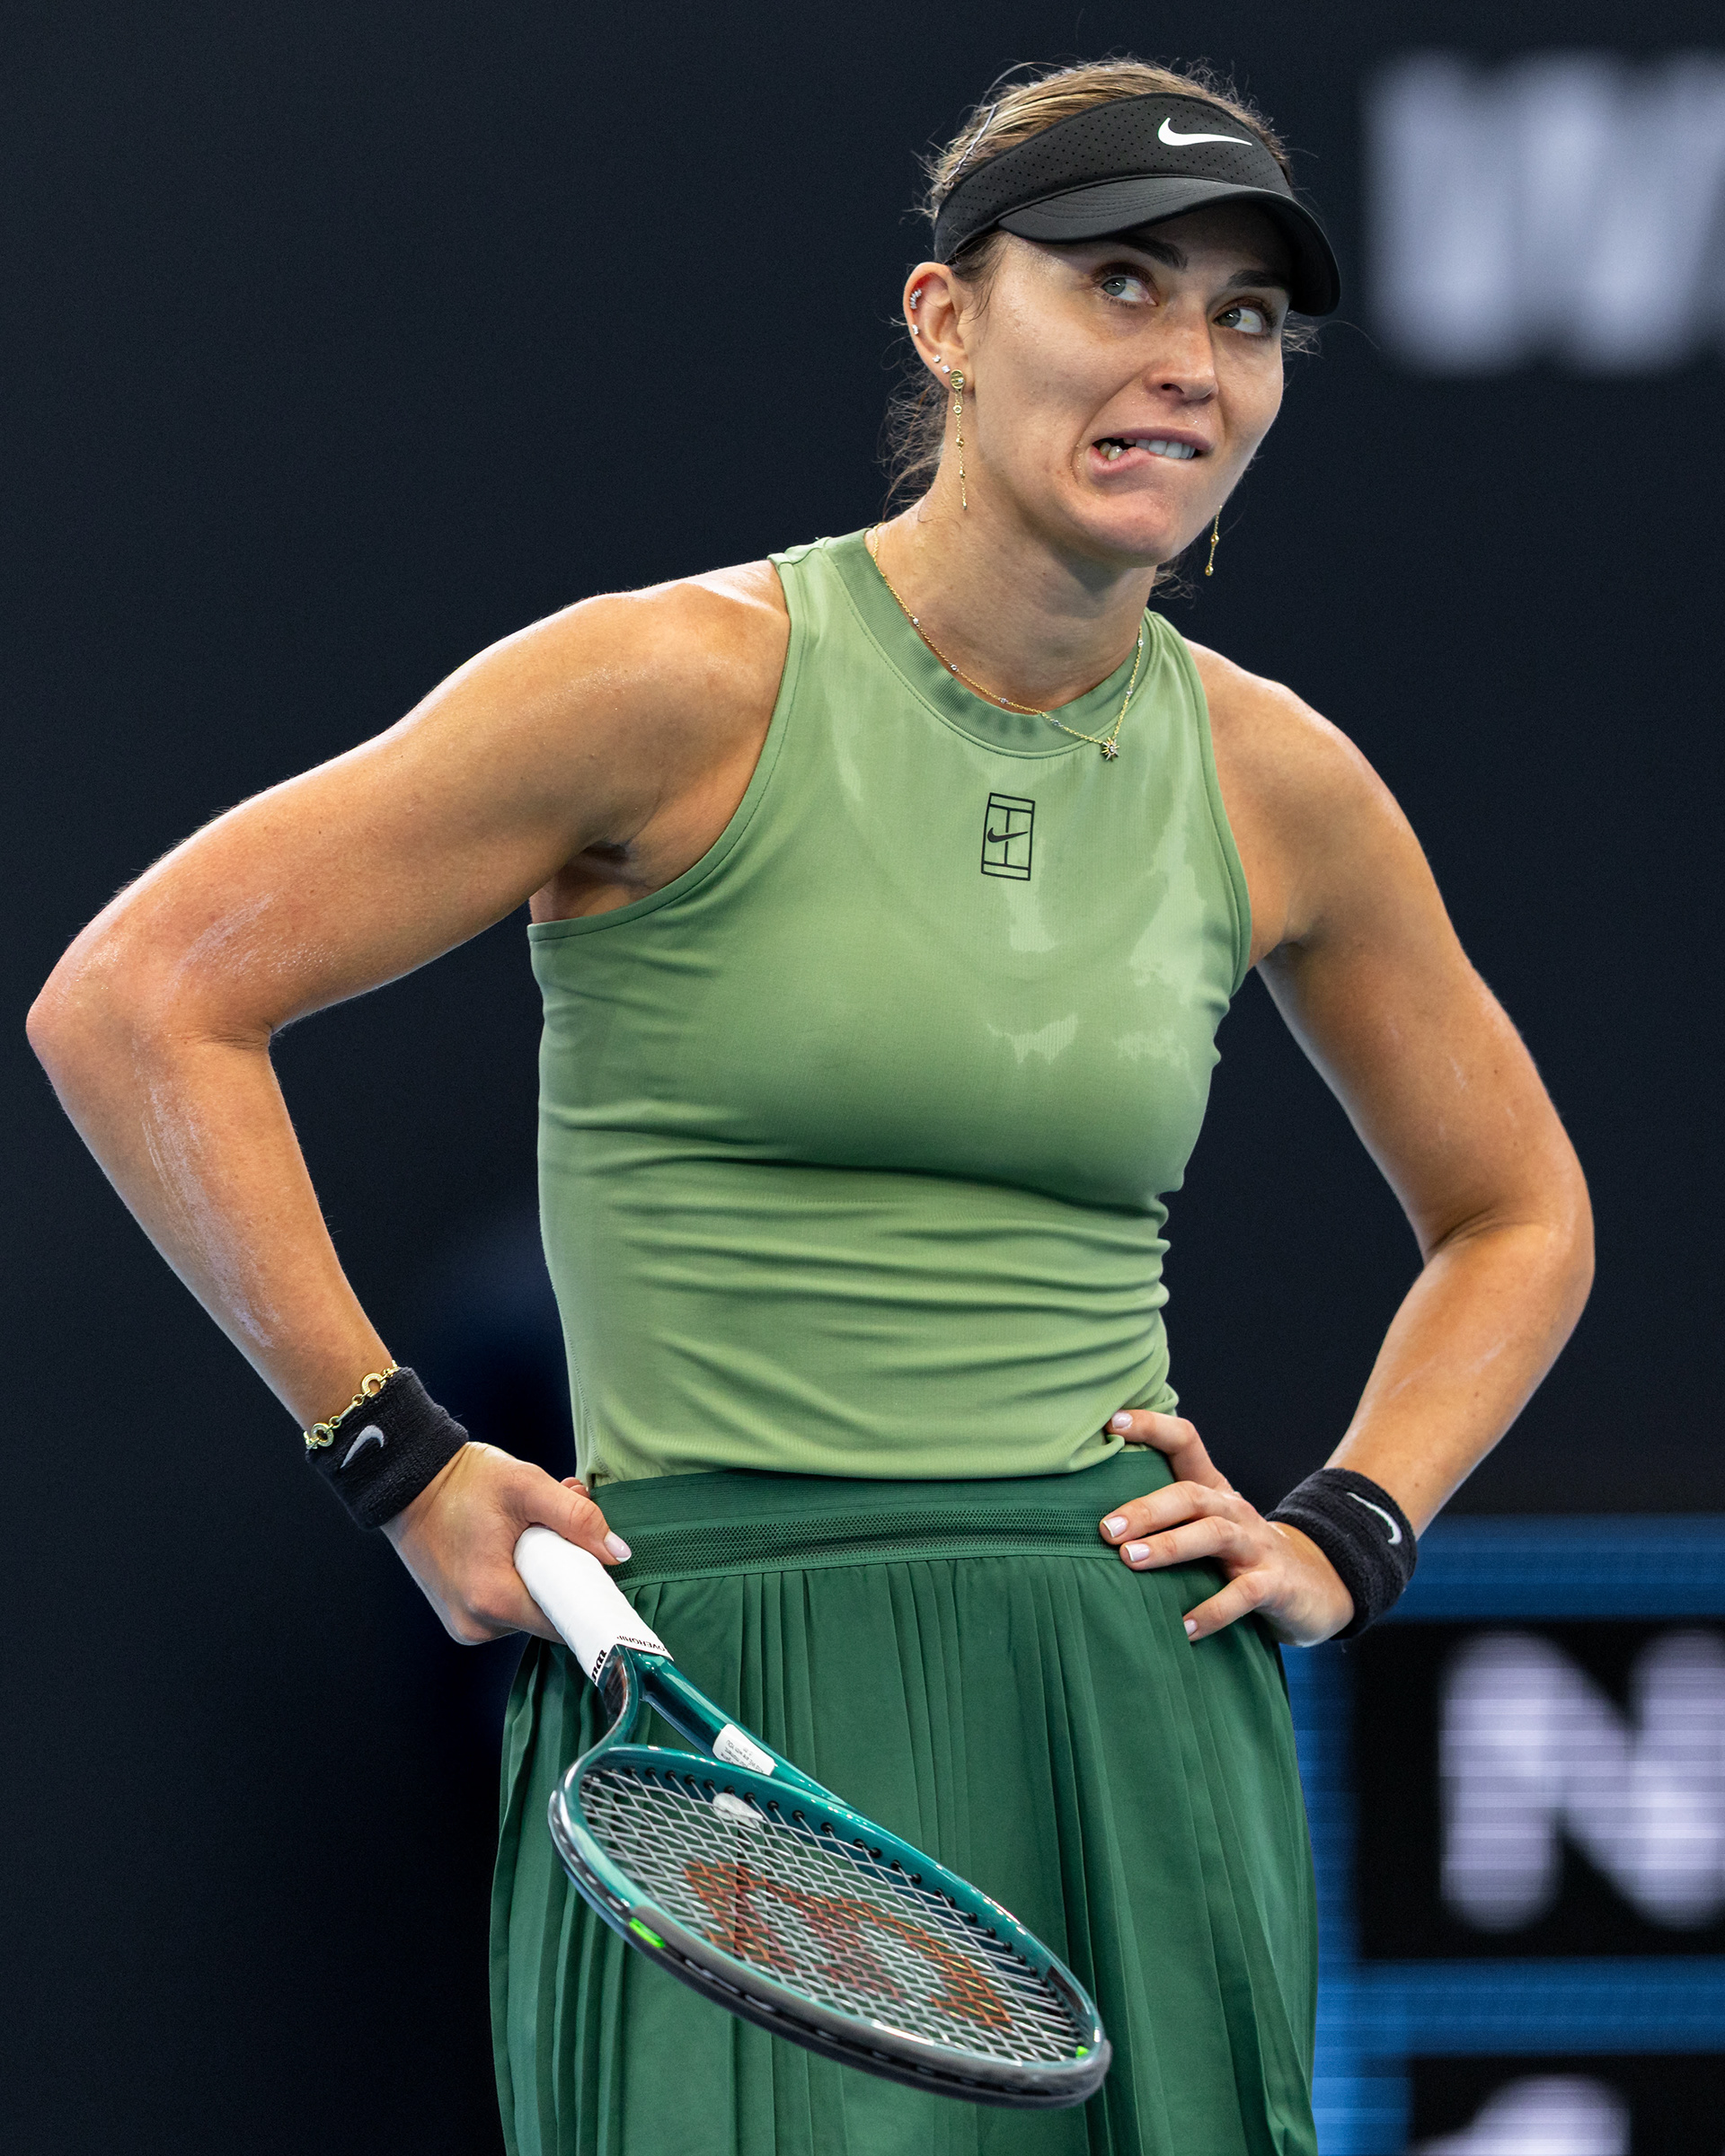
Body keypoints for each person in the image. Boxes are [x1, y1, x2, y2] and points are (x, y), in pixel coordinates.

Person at [28, 56, 1591, 2156]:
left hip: (1131, 1693)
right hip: (717, 1694)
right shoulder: (664, 687)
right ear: (948, 318)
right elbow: (140, 1002)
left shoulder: (1277, 777)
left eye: (1243, 316)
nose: (1190, 363)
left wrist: (1351, 1526)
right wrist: (396, 1458)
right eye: (1120, 282)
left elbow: (1519, 1213)